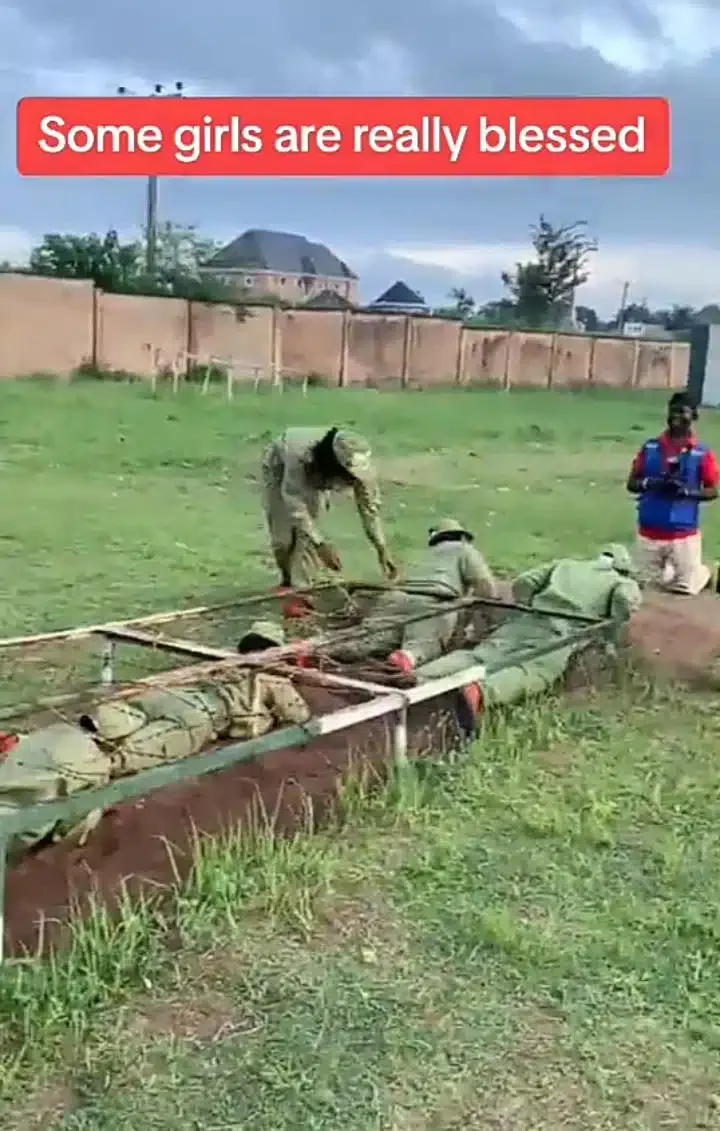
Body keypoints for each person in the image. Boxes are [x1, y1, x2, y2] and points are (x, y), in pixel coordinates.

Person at [0, 663, 311, 851]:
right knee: (125, 758)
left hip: (173, 697)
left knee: (112, 723)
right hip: (200, 717)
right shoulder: (274, 678)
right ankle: (79, 768)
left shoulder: (224, 665)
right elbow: (299, 714)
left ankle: (71, 742)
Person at [415, 544, 642, 734]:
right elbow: (624, 600)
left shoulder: (566, 564)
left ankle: (419, 675)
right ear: (623, 568)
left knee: (480, 655)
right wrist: (609, 632)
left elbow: (524, 581)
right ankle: (480, 692)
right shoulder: (621, 582)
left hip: (526, 621)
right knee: (533, 670)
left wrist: (527, 608)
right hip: (562, 629)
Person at [327, 518, 498, 668]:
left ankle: (318, 647)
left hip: (394, 598)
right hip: (434, 601)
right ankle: (405, 659)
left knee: (365, 640)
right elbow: (485, 586)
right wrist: (489, 621)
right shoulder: (464, 549)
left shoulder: (422, 556)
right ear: (462, 536)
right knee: (421, 646)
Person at [260, 427, 397, 613]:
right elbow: (294, 503)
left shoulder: (363, 469)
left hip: (317, 477)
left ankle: (301, 592)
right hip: (281, 466)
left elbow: (370, 510)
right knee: (282, 538)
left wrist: (382, 548)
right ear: (335, 466)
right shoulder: (300, 456)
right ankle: (286, 580)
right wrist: (321, 544)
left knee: (306, 538)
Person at [626, 390, 719, 595]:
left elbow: (713, 491)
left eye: (682, 412)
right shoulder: (650, 448)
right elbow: (632, 483)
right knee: (643, 586)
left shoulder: (702, 453)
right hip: (649, 531)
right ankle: (670, 571)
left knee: (685, 588)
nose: (676, 417)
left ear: (693, 416)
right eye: (673, 411)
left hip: (683, 534)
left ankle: (702, 574)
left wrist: (687, 492)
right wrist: (653, 483)